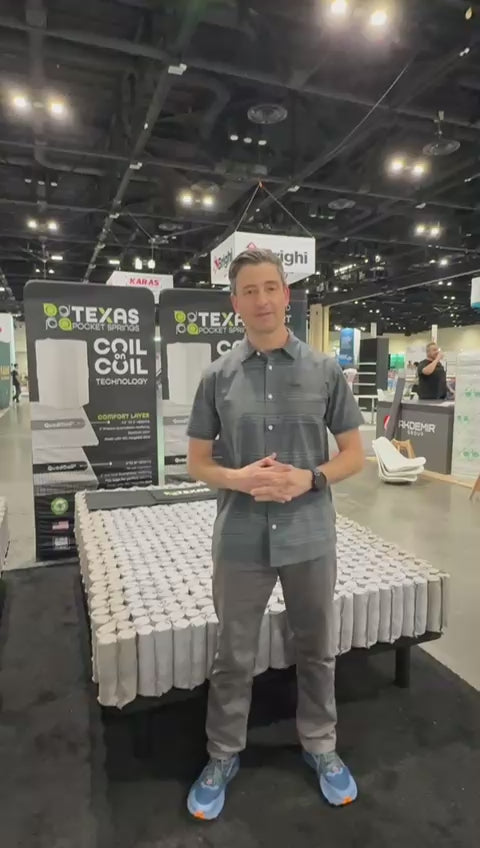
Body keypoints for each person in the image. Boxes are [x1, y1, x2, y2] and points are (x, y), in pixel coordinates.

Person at [186, 248, 365, 820]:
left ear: (286, 296)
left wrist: (310, 477)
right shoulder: (217, 376)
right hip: (240, 536)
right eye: (249, 291)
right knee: (233, 653)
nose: (261, 300)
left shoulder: (325, 371)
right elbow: (197, 462)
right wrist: (237, 477)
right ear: (234, 302)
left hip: (310, 533)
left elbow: (354, 455)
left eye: (270, 288)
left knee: (316, 647)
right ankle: (223, 754)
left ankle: (321, 744)